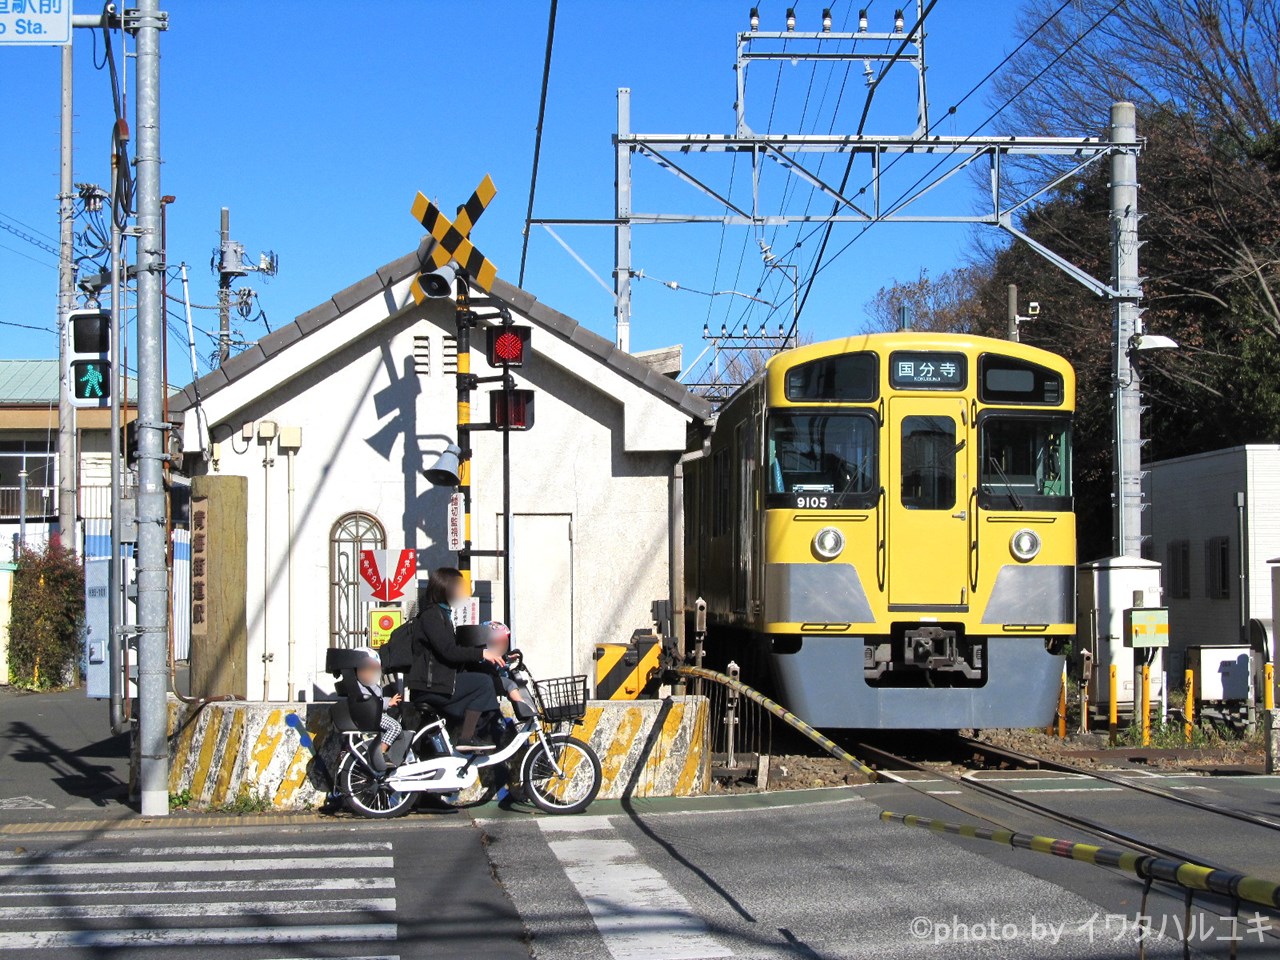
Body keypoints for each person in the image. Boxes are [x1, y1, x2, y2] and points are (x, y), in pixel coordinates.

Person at [406, 567, 505, 751]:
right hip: (431, 685)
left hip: (438, 681)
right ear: (445, 588)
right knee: (482, 684)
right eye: (459, 587)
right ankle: (467, 738)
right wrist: (481, 654)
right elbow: (448, 651)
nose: (463, 592)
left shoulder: (443, 614)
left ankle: (469, 736)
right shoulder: (431, 616)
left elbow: (454, 653)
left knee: (486, 680)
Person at [351, 646, 403, 772]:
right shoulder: (362, 686)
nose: (370, 673)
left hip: (368, 713)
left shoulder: (358, 684)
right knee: (395, 727)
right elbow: (372, 700)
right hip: (371, 715)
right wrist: (388, 702)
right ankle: (380, 754)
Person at [481, 621, 535, 720]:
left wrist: (507, 659)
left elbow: (499, 661)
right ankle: (525, 708)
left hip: (487, 684)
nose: (501, 646)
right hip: (485, 682)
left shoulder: (487, 653)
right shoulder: (485, 654)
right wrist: (505, 659)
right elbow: (493, 662)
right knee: (510, 684)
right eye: (498, 642)